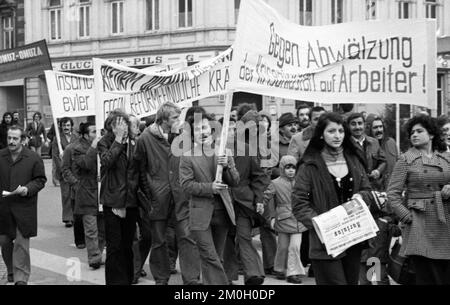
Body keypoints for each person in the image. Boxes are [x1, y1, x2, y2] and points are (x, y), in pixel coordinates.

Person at [291, 112, 382, 285]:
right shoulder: (309, 165)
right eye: (332, 131)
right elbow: (299, 204)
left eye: (341, 131)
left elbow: (366, 190)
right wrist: (322, 224)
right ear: (321, 134)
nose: (337, 135)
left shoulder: (354, 159)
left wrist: (361, 196)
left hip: (354, 238)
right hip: (325, 242)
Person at [135, 102, 201, 285]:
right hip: (157, 197)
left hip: (180, 195)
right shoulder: (145, 138)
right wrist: (148, 194)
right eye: (174, 118)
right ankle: (161, 278)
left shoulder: (183, 137)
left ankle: (192, 278)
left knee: (187, 237)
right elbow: (139, 170)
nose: (178, 121)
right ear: (163, 119)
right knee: (159, 241)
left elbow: (191, 162)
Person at [387, 115, 450, 285]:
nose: (414, 134)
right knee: (426, 277)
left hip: (445, 223)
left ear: (431, 135)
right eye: (412, 132)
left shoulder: (446, 158)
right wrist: (408, 218)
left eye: (419, 131)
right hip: (419, 225)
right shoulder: (405, 159)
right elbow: (392, 195)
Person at [179, 113, 240, 285]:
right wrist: (209, 188)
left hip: (222, 213)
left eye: (204, 127)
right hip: (200, 215)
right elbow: (186, 185)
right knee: (209, 255)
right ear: (192, 134)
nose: (202, 132)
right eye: (197, 129)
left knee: (215, 258)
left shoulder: (224, 152)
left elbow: (235, 181)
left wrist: (227, 166)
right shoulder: (187, 156)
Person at [227, 110, 271, 285]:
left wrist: (259, 199)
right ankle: (227, 275)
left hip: (244, 201)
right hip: (224, 198)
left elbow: (260, 176)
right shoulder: (226, 146)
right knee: (227, 239)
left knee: (244, 236)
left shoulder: (256, 149)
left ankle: (253, 273)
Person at [98, 110, 140, 285]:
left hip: (130, 201)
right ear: (111, 125)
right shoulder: (105, 142)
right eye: (118, 124)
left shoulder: (133, 142)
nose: (122, 127)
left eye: (124, 123)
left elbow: (137, 170)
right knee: (114, 247)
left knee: (127, 246)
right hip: (113, 200)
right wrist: (117, 140)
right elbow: (107, 162)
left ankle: (128, 279)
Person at [0, 126, 47, 285]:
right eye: (9, 138)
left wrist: (27, 189)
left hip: (24, 207)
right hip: (3, 208)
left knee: (21, 243)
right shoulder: (0, 156)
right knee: (5, 241)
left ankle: (21, 278)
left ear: (23, 140)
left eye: (15, 138)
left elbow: (40, 180)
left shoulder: (33, 158)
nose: (11, 141)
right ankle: (11, 270)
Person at [359, 116, 400, 285]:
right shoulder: (366, 147)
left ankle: (375, 279)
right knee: (372, 259)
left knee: (376, 258)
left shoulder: (390, 143)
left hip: (387, 206)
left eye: (381, 126)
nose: (379, 130)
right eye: (375, 127)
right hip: (369, 201)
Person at [264, 155, 307, 284]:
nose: (291, 170)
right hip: (283, 218)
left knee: (294, 247)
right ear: (282, 168)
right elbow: (267, 197)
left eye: (293, 167)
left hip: (298, 218)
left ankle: (292, 272)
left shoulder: (301, 182)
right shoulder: (275, 183)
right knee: (282, 247)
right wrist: (264, 210)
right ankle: (280, 269)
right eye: (287, 167)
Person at [72, 122, 105, 269]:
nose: (96, 135)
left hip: (101, 192)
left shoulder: (103, 145)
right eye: (93, 132)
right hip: (86, 193)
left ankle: (98, 252)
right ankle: (94, 258)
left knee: (102, 228)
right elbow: (85, 164)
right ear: (86, 135)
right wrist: (93, 148)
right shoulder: (78, 149)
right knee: (91, 229)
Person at [347, 112, 387, 191]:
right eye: (353, 124)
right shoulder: (346, 145)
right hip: (354, 188)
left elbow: (383, 161)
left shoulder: (374, 142)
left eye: (360, 123)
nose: (357, 127)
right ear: (348, 126)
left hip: (373, 187)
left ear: (364, 125)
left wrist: (378, 171)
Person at [61, 125, 86, 249]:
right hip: (76, 188)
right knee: (78, 215)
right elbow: (65, 169)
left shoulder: (93, 147)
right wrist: (74, 183)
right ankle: (80, 239)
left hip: (90, 187)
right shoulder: (69, 149)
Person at [52, 117, 78, 227]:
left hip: (75, 171)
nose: (66, 127)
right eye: (64, 125)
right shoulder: (57, 139)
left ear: (71, 126)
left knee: (76, 194)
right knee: (66, 195)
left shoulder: (76, 137)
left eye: (68, 125)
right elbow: (55, 155)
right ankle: (68, 218)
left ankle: (76, 216)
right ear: (61, 127)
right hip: (63, 171)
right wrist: (62, 168)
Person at [271, 112, 298, 179]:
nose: (293, 127)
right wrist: (287, 173)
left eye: (295, 124)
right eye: (289, 125)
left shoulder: (300, 141)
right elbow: (272, 169)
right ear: (281, 129)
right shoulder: (274, 145)